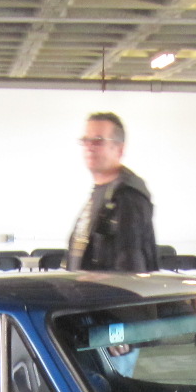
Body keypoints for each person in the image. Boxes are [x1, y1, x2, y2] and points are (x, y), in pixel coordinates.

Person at [66, 111, 158, 273]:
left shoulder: (127, 196)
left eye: (98, 141)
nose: (89, 147)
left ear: (119, 149)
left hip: (108, 297)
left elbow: (130, 270)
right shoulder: (101, 192)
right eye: (86, 140)